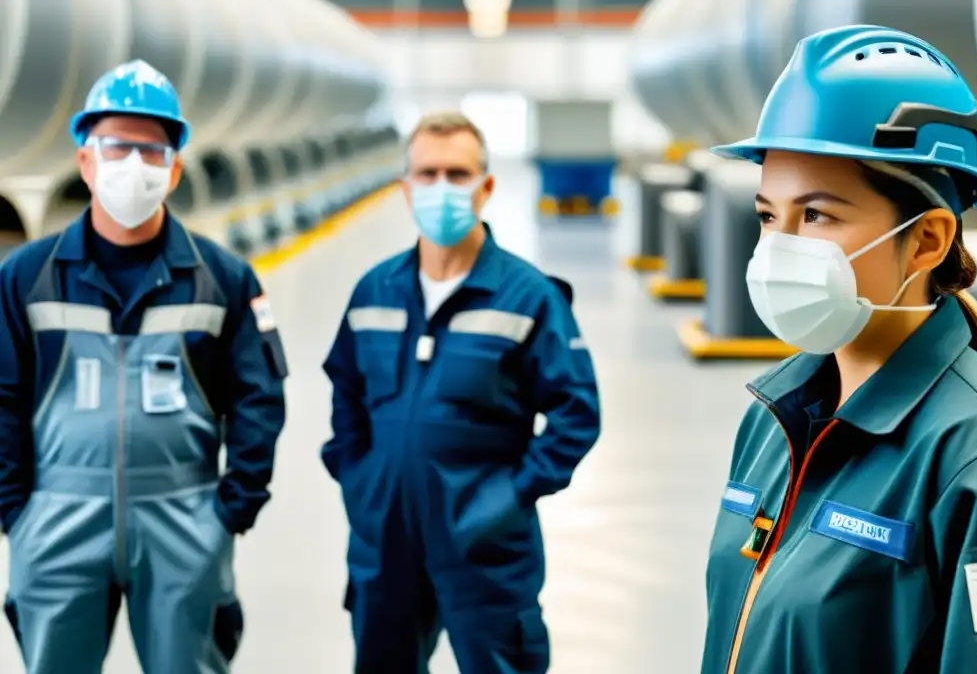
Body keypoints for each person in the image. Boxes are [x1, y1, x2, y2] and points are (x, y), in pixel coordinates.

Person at [698, 23, 977, 673]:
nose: (779, 247)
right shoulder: (772, 417)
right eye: (769, 215)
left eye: (817, 215)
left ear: (927, 240)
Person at [0, 60, 289, 673]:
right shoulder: (25, 277)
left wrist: (233, 508)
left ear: (175, 169)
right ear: (85, 161)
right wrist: (15, 512)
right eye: (116, 146)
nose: (134, 164)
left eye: (152, 151)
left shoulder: (221, 278)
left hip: (184, 517)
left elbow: (259, 397)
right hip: (56, 518)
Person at [322, 111, 601, 673]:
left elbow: (577, 414)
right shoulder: (376, 289)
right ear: (405, 189)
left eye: (458, 173)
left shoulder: (528, 297)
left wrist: (510, 496)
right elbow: (346, 393)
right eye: (427, 175)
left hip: (485, 546)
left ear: (486, 186)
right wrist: (361, 481)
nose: (441, 188)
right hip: (385, 542)